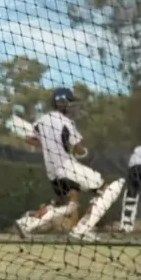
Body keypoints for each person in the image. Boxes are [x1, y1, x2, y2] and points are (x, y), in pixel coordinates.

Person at [14, 88, 125, 242]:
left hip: (53, 173)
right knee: (110, 188)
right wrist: (86, 153)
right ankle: (83, 229)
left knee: (67, 205)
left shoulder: (43, 119)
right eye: (70, 103)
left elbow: (28, 138)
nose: (73, 107)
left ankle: (26, 223)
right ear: (63, 103)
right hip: (67, 167)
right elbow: (79, 149)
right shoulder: (66, 122)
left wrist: (48, 144)